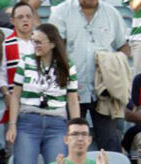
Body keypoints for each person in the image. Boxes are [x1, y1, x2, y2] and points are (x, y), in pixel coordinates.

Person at [6, 22, 78, 164]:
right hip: (28, 122)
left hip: (57, 124)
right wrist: (12, 124)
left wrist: (75, 130)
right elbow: (15, 96)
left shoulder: (67, 66)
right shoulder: (25, 62)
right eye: (34, 41)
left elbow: (72, 100)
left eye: (39, 42)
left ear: (52, 43)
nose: (35, 45)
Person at [49, 0, 128, 152]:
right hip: (71, 90)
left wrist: (115, 66)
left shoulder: (111, 13)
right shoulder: (61, 12)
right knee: (70, 141)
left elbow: (124, 46)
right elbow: (54, 50)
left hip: (104, 91)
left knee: (110, 142)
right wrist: (65, 82)